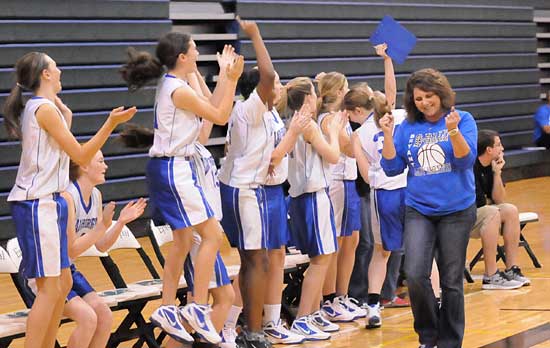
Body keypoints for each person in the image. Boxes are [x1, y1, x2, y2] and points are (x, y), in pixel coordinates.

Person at [4, 51, 136, 348]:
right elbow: (81, 156)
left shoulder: (47, 109)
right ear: (46, 75)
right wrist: (110, 123)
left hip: (51, 202)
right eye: (56, 67)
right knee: (50, 289)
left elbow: (62, 146)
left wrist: (67, 115)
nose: (61, 71)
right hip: (36, 204)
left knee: (62, 284)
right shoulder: (43, 110)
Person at [120, 31, 244, 344]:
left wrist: (225, 79)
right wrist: (230, 77)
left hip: (171, 168)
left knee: (184, 238)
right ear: (183, 57)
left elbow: (213, 108)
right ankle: (198, 306)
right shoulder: (177, 89)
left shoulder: (177, 85)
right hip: (173, 168)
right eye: (194, 49)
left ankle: (165, 307)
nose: (199, 52)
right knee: (212, 234)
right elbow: (221, 114)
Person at [380, 68, 478, 348]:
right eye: (419, 98)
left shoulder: (463, 119)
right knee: (414, 273)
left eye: (429, 96)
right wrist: (388, 135)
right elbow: (391, 167)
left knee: (450, 281)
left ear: (441, 94)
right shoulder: (407, 127)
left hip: (456, 211)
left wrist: (453, 131)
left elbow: (464, 161)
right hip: (419, 210)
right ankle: (428, 336)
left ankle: (449, 342)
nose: (424, 102)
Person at [217, 18, 279, 348]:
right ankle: (252, 332)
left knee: (256, 259)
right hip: (241, 190)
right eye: (275, 85)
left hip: (248, 187)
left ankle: (247, 325)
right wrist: (255, 34)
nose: (278, 87)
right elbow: (267, 75)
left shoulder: (263, 113)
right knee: (257, 259)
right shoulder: (252, 108)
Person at [346, 43, 407, 329]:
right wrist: (387, 60)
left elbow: (366, 176)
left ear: (358, 110)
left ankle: (372, 306)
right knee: (423, 248)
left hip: (383, 193)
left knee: (381, 252)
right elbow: (392, 90)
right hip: (409, 187)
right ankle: (437, 297)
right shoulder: (390, 117)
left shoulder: (359, 134)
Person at [58, 152, 146, 348]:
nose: (106, 166)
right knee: (88, 318)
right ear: (84, 167)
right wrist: (102, 226)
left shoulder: (96, 195)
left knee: (104, 315)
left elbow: (101, 245)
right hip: (47, 274)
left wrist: (120, 222)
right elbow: (70, 251)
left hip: (67, 270)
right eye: (101, 161)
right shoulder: (67, 197)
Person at [281, 77, 346, 340]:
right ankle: (303, 318)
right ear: (309, 98)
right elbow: (333, 155)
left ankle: (314, 312)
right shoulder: (307, 125)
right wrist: (334, 132)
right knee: (321, 261)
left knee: (323, 258)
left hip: (305, 196)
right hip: (311, 196)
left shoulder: (293, 122)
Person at [316, 71, 365, 324]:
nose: (348, 92)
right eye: (345, 88)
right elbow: (347, 148)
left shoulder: (341, 117)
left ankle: (342, 295)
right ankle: (329, 299)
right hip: (334, 183)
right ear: (337, 92)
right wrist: (367, 132)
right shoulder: (327, 119)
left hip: (347, 181)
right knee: (334, 242)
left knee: (351, 240)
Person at [472, 129, 530, 289]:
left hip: (482, 211)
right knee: (492, 212)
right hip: (465, 217)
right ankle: (490, 275)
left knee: (510, 210)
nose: (502, 149)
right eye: (499, 145)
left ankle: (511, 269)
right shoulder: (471, 166)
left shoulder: (490, 166)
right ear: (489, 150)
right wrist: (489, 201)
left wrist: (497, 173)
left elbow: (499, 199)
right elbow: (479, 202)